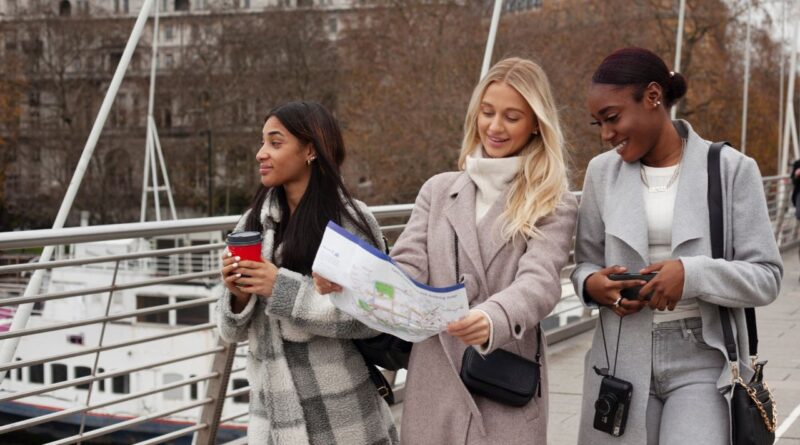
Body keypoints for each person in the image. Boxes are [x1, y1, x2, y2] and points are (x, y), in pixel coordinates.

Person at [315, 57, 577, 444]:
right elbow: (406, 269)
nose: (495, 127)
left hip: (502, 383)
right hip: (435, 385)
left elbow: (539, 282)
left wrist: (492, 318)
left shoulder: (553, 201)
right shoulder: (438, 190)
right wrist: (350, 280)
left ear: (536, 123)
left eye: (511, 117)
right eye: (487, 112)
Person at [572, 47, 783, 445]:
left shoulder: (732, 169)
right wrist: (592, 286)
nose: (605, 135)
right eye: (598, 123)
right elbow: (585, 264)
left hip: (703, 358)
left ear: (653, 97)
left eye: (613, 118)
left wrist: (691, 275)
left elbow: (767, 277)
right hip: (618, 358)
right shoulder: (601, 174)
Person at [216, 101, 399, 444]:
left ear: (311, 150)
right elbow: (229, 332)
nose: (260, 153)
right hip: (272, 419)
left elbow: (372, 316)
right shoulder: (253, 224)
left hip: (342, 417)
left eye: (275, 142)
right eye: (262, 142)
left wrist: (280, 289)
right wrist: (237, 297)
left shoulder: (350, 221)